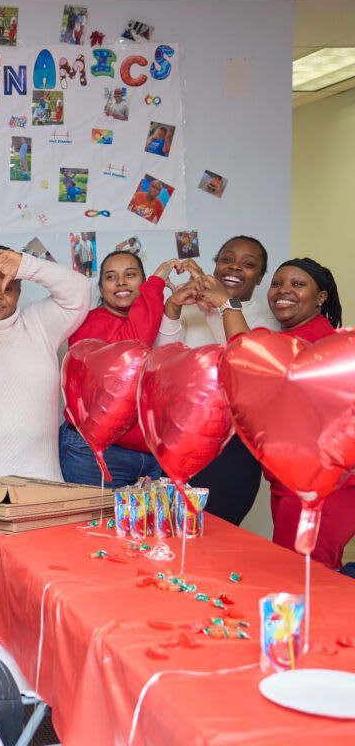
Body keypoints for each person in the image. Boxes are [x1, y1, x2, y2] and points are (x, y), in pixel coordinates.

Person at [202, 257, 355, 568]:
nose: (283, 290)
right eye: (277, 283)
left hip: (322, 488)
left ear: (321, 297)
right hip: (291, 482)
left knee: (304, 574)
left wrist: (227, 304)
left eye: (297, 284)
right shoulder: (288, 337)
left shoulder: (318, 339)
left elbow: (251, 362)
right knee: (299, 569)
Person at [155, 236, 278, 525]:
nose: (234, 267)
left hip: (232, 450)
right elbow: (161, 364)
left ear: (260, 277)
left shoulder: (267, 322)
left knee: (216, 534)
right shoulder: (192, 307)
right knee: (169, 532)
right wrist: (173, 309)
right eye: (227, 259)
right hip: (177, 441)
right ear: (216, 265)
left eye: (248, 264)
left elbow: (242, 364)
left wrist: (220, 303)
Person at [0, 246, 91, 483]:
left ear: (19, 293)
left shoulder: (40, 323)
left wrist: (25, 265)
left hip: (40, 476)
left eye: (8, 288)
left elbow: (80, 290)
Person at [60, 253, 190, 487]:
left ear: (141, 281)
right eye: (111, 277)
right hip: (97, 454)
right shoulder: (88, 324)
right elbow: (130, 351)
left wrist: (171, 307)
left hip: (148, 455)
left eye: (130, 275)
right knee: (95, 514)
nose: (121, 282)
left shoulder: (150, 318)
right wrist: (157, 282)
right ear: (101, 288)